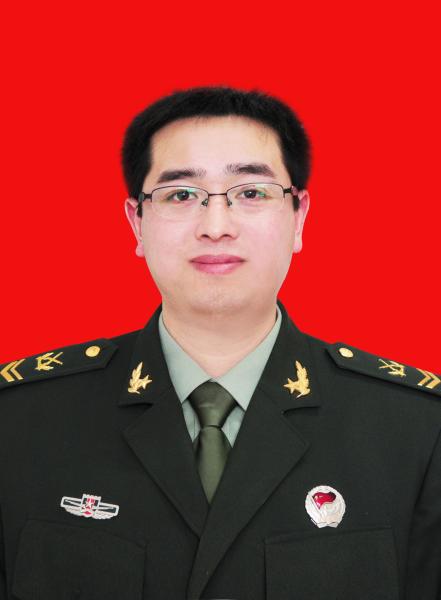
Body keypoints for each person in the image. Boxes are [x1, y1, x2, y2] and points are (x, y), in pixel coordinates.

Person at [0, 86, 440, 600]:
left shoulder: (415, 428)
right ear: (136, 222)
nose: (215, 227)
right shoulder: (20, 419)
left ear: (298, 216)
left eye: (251, 193)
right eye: (181, 195)